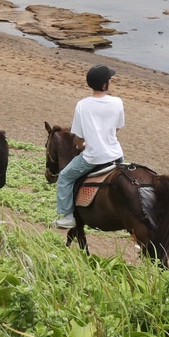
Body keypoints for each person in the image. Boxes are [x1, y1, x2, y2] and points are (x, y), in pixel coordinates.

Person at [53, 65, 125, 229]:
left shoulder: (82, 105)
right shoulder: (117, 102)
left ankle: (68, 216)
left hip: (93, 157)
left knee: (64, 177)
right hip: (116, 155)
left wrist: (82, 145)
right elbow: (117, 128)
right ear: (105, 85)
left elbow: (78, 138)